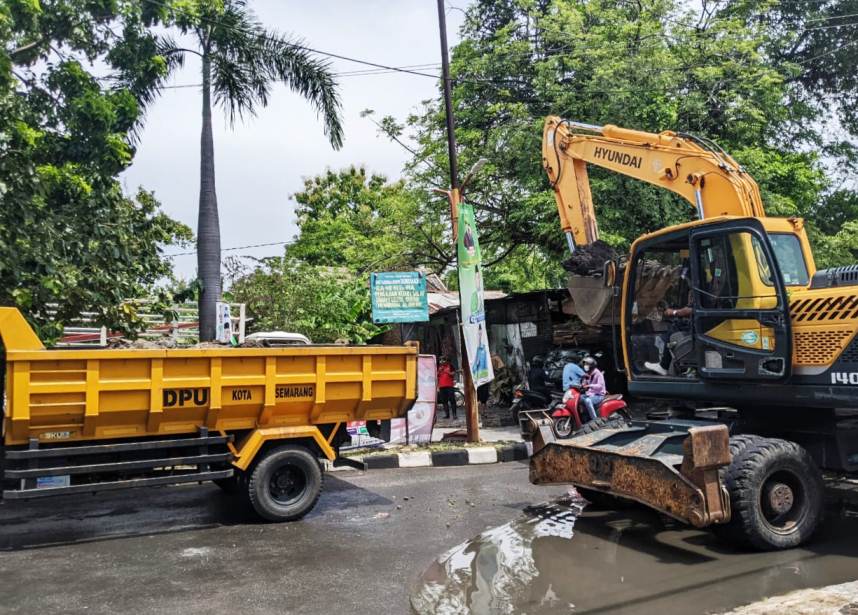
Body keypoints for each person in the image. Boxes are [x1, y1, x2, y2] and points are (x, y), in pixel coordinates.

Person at [580, 356, 605, 421]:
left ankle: (595, 420)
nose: (585, 366)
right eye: (585, 364)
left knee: (588, 401)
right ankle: (584, 416)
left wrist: (590, 385)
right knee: (579, 398)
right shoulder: (588, 374)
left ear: (591, 366)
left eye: (587, 364)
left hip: (599, 395)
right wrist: (582, 384)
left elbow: (600, 386)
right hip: (590, 394)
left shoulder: (598, 374)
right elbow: (584, 384)